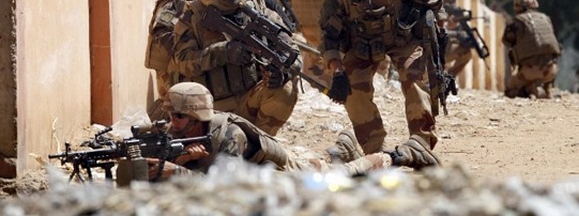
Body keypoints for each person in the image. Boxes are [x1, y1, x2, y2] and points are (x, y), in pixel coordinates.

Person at [145, 82, 441, 180]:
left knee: (338, 178)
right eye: (171, 116)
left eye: (180, 117)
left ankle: (401, 153)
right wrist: (180, 162)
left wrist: (179, 171)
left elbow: (227, 187)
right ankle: (341, 147)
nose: (174, 123)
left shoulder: (227, 135)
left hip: (284, 167)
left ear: (197, 116)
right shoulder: (178, 132)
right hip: (268, 164)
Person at [319, 0, 445, 155]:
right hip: (363, 42)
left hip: (403, 40)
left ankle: (421, 144)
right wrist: (337, 70)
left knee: (415, 78)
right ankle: (374, 148)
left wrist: (435, 48)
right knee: (352, 87)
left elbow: (434, 7)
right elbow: (329, 32)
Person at [173, 0, 300, 136]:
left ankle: (259, 143)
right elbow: (183, 63)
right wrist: (222, 52)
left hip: (250, 99)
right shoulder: (194, 15)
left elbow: (291, 51)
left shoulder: (257, 9)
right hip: (211, 108)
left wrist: (281, 74)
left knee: (285, 90)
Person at [145, 0, 210, 101]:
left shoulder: (209, 0)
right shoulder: (175, 2)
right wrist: (186, 51)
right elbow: (161, 34)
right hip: (171, 69)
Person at [502, 0, 561, 99]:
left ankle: (531, 90)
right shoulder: (545, 18)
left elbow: (507, 42)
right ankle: (548, 88)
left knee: (510, 89)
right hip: (551, 70)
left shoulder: (515, 23)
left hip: (529, 71)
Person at [438, 0, 473, 77]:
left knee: (467, 52)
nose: (451, 0)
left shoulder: (457, 14)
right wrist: (449, 28)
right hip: (431, 54)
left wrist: (465, 39)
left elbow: (464, 33)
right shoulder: (435, 11)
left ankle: (449, 77)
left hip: (446, 52)